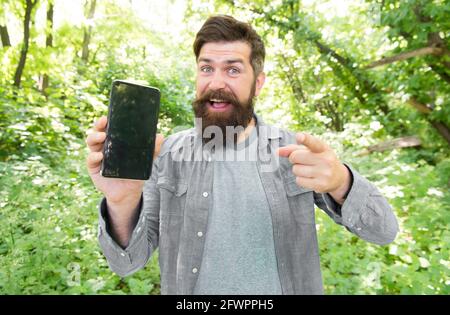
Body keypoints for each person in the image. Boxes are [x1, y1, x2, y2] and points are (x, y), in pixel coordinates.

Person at [85, 15, 398, 295]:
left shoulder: (294, 151)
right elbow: (127, 263)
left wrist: (341, 181)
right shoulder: (166, 155)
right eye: (207, 68)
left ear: (257, 83)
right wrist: (122, 202)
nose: (216, 82)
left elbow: (384, 231)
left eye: (232, 69)